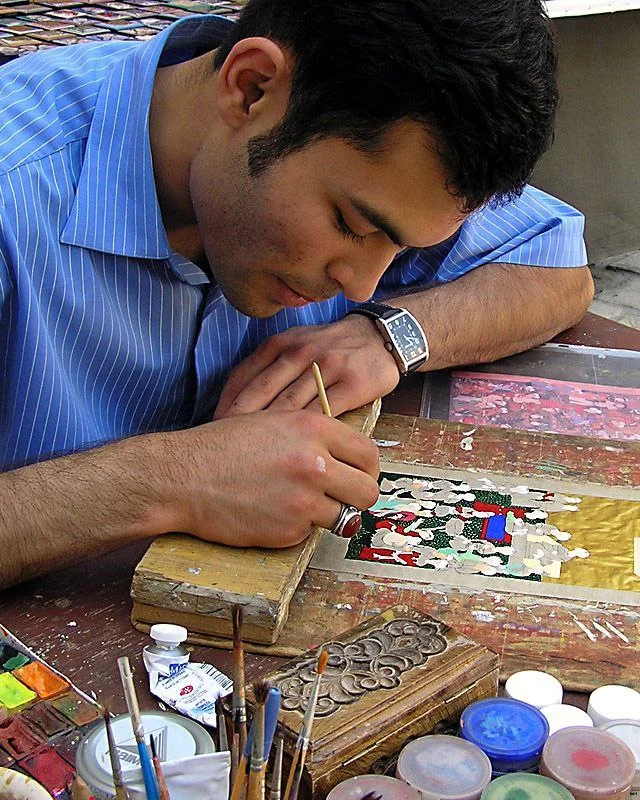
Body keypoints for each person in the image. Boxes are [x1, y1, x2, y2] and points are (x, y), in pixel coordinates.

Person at [0, 0, 593, 588]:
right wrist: (175, 478)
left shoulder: (388, 156)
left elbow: (558, 268)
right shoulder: (15, 190)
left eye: (400, 249)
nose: (362, 284)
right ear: (251, 88)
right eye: (351, 225)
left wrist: (386, 335)